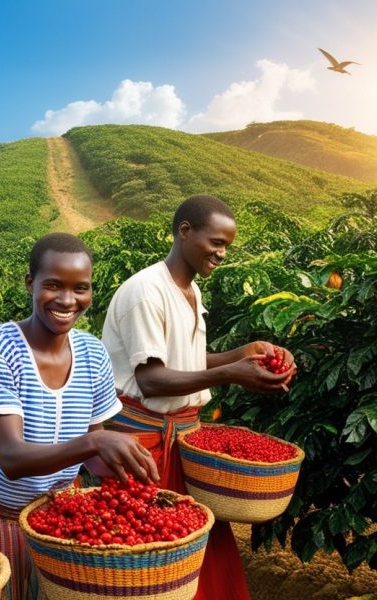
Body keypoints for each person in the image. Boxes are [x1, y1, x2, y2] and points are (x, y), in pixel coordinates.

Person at [0, 233, 159, 600]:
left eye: (81, 288)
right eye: (53, 285)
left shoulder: (93, 354)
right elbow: (12, 459)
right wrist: (96, 441)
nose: (67, 300)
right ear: (30, 284)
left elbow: (91, 453)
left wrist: (128, 476)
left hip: (40, 520)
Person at [100, 195, 296, 600]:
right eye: (216, 242)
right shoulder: (146, 292)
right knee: (150, 563)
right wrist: (230, 375)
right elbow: (152, 380)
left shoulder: (189, 292)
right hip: (145, 449)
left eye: (227, 245)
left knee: (200, 555)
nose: (222, 253)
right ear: (184, 231)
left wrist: (244, 354)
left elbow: (185, 362)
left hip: (183, 440)